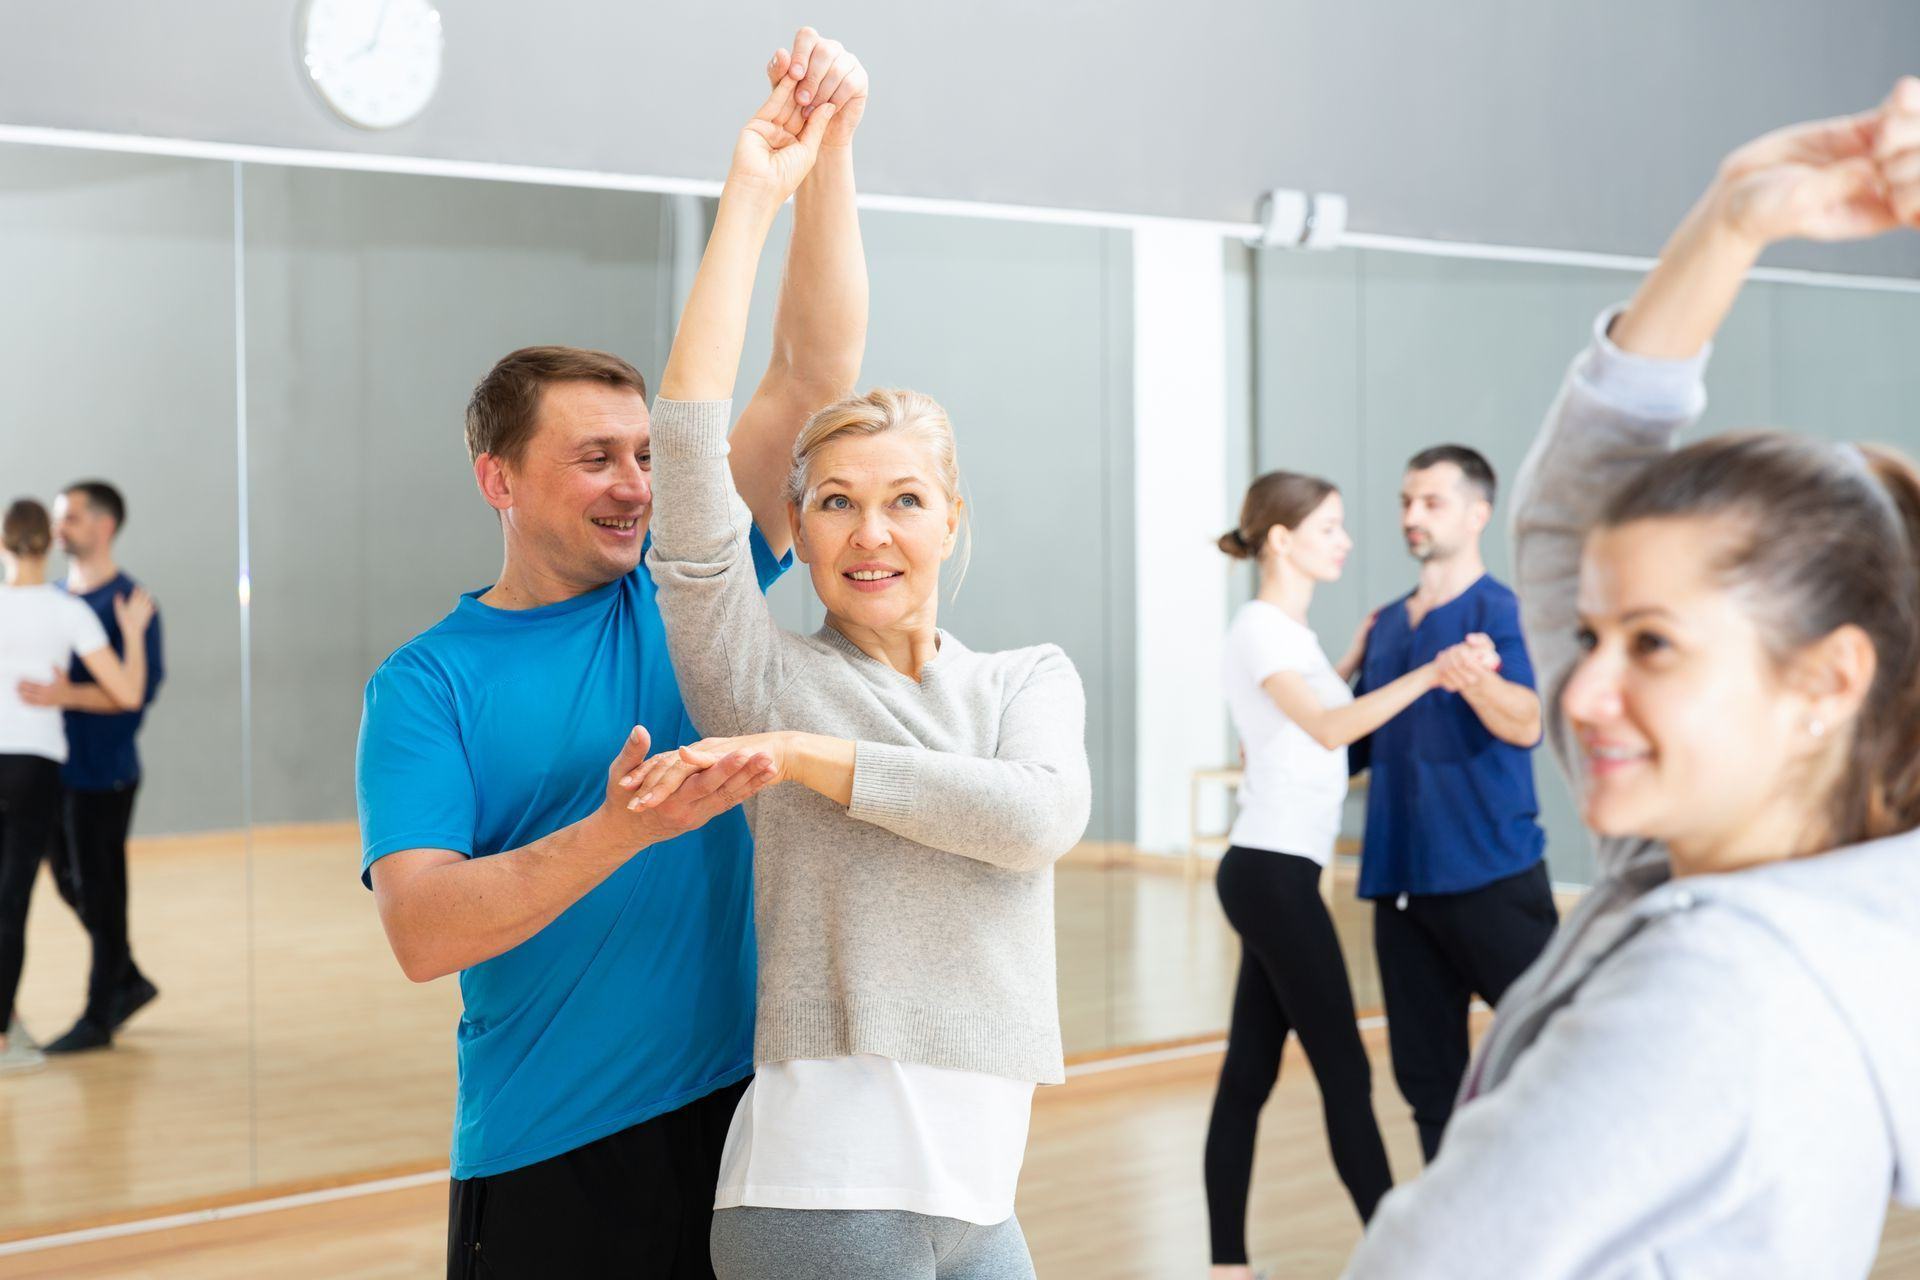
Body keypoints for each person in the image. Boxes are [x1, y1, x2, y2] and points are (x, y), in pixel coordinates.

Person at [1348, 77, 1920, 1278]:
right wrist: (1733, 216)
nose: (1583, 690)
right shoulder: (1769, 881)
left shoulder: (1717, 990)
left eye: (1653, 643)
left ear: (1827, 681)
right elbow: (1571, 513)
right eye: (1594, 634)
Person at [352, 30, 869, 1279]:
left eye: (645, 453)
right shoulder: (425, 683)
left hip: (744, 1125)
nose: (639, 483)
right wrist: (619, 830)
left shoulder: (693, 590)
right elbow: (422, 930)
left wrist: (825, 155)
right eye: (597, 458)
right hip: (553, 1152)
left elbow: (811, 374)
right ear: (499, 479)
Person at [624, 56, 1090, 1280]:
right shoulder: (760, 676)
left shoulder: (1026, 680)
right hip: (821, 1194)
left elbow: (1033, 817)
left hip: (985, 1203)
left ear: (952, 516)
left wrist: (802, 758)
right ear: (799, 524)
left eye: (904, 499)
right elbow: (688, 445)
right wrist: (753, 191)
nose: (869, 532)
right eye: (834, 500)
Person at [1204, 472, 1495, 1277]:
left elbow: (1295, 723)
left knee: (1249, 1073)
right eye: (1329, 527)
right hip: (1270, 874)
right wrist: (1432, 673)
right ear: (1282, 539)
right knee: (1346, 1070)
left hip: (1277, 870)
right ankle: (1403, 1255)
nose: (1347, 540)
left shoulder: (1290, 636)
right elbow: (1329, 729)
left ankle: (1228, 1265)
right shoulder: (1261, 627)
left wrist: (1354, 658)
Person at [1351, 442, 1555, 1161]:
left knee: (1551, 1052)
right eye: (1407, 501)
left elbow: (1527, 722)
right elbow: (1349, 746)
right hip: (1400, 888)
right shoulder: (1385, 624)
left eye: (1431, 501)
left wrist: (1473, 678)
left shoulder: (1501, 611)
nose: (1413, 514)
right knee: (1428, 1083)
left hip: (1492, 877)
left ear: (1477, 515)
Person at [0, 498, 152, 1074]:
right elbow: (128, 692)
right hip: (35, 770)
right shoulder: (69, 611)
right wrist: (132, 634)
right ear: (48, 544)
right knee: (11, 902)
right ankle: (2, 1038)